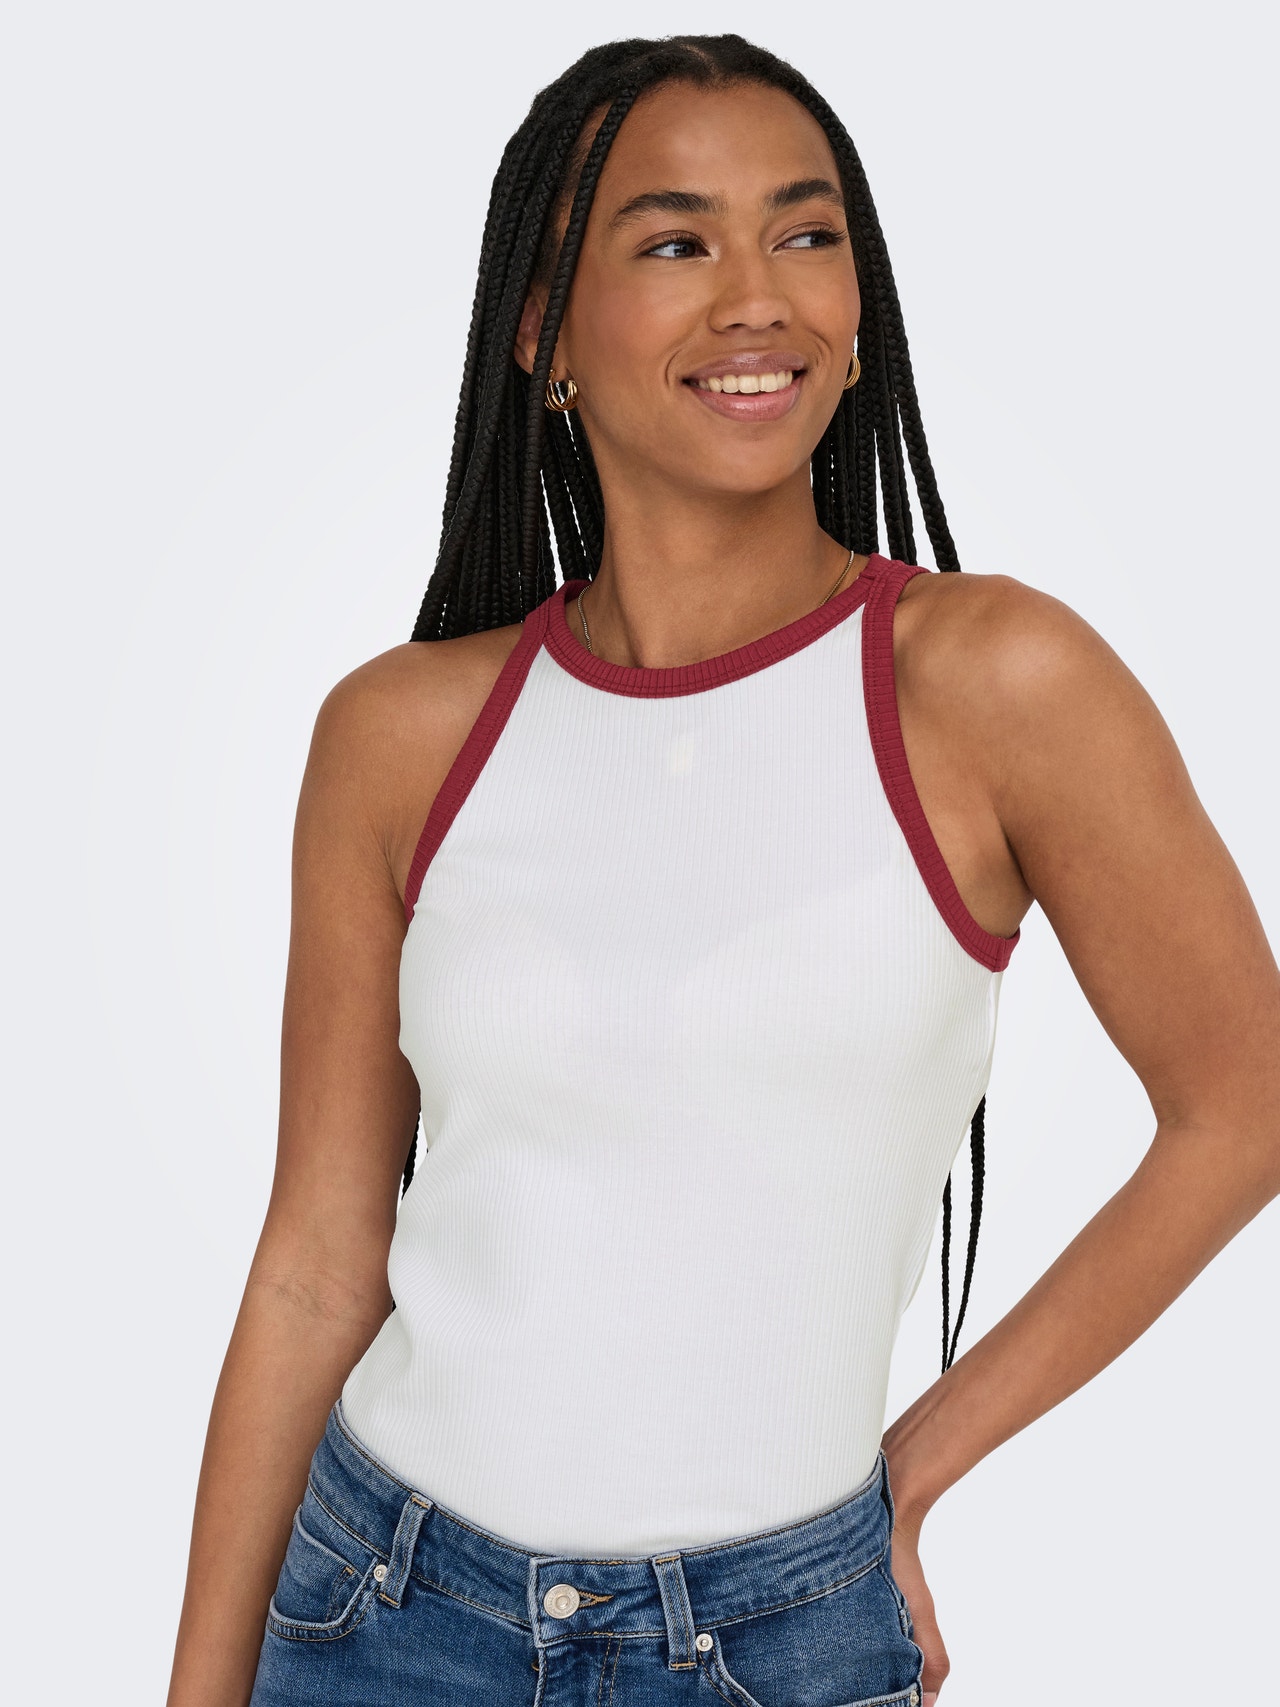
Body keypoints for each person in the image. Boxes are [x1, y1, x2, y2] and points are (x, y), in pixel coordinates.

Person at [166, 33, 1280, 1707]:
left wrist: (910, 1478)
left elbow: (1246, 1103)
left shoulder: (993, 686)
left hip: (773, 1645)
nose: (759, 297)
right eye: (677, 240)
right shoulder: (401, 735)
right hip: (380, 1614)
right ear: (543, 328)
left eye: (806, 234)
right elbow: (320, 1257)